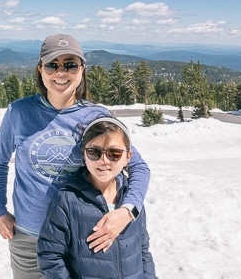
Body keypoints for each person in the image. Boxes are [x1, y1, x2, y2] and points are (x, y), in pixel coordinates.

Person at [0, 33, 150, 279]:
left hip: (80, 236)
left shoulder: (95, 116)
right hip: (29, 236)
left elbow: (136, 166)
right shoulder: (19, 112)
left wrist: (127, 211)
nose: (60, 72)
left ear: (82, 70)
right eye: (52, 65)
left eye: (70, 65)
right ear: (40, 70)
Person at [37, 116, 157, 279]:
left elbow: (143, 250)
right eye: (94, 152)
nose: (103, 160)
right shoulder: (67, 200)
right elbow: (50, 256)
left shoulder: (131, 198)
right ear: (83, 154)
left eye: (114, 153)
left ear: (128, 157)